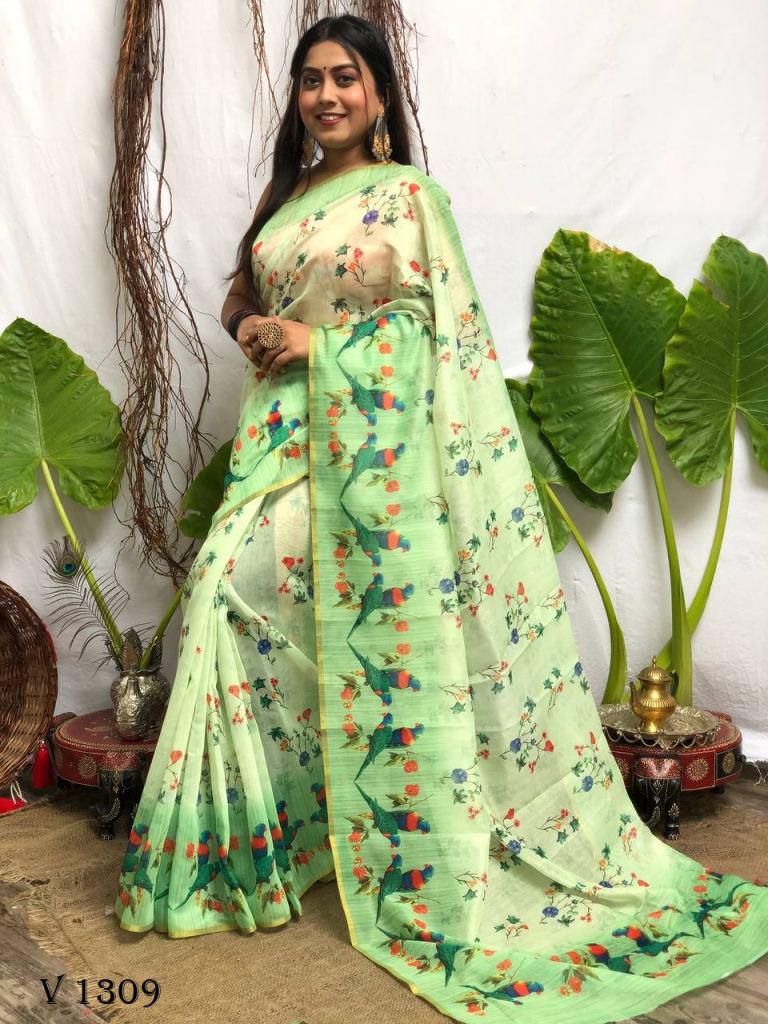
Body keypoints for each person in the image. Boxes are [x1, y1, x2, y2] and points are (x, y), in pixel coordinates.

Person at [115, 13, 768, 1022]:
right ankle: (267, 848)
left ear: (379, 94)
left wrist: (319, 347)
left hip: (370, 459)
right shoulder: (289, 198)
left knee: (309, 624)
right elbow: (256, 295)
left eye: (345, 77)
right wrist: (254, 326)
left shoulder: (409, 198)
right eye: (311, 81)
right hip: (280, 443)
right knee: (223, 599)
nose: (326, 95)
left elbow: (440, 337)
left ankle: (391, 836)